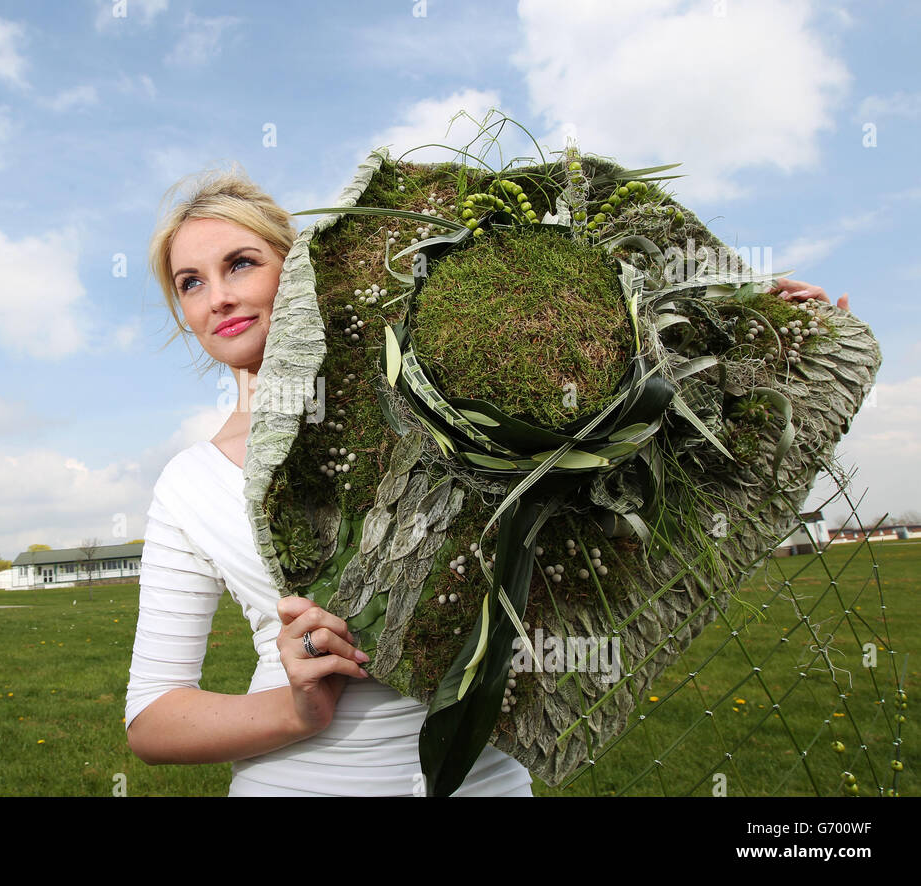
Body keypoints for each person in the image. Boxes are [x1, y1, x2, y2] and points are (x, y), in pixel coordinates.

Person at [123, 163, 850, 796]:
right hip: (300, 780)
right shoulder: (189, 483)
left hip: (482, 779)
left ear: (301, 264)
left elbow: (629, 417)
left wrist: (760, 331)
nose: (217, 296)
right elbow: (154, 718)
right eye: (191, 282)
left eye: (240, 263)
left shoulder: (429, 398)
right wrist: (296, 709)